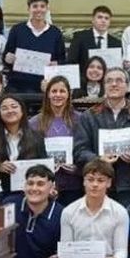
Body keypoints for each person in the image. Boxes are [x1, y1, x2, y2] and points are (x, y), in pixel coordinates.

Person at [76, 67, 130, 205]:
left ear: (127, 85)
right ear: (104, 86)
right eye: (109, 81)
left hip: (129, 185)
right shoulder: (89, 116)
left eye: (119, 80)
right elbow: (79, 151)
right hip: (98, 183)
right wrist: (99, 159)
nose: (114, 84)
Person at [32, 76, 84, 205]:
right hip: (45, 185)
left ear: (68, 94)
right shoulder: (34, 123)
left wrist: (77, 168)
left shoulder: (81, 119)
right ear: (48, 94)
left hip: (74, 184)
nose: (58, 95)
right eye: (54, 91)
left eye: (62, 91)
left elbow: (85, 147)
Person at [3, 0, 64, 94]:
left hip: (45, 85)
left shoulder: (55, 33)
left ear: (47, 8)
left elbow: (62, 59)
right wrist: (8, 58)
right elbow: (6, 57)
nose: (39, 9)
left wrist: (56, 63)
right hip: (18, 84)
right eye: (35, 6)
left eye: (42, 6)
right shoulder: (17, 30)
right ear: (28, 9)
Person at [0, 94, 45, 193]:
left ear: (22, 111)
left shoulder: (37, 137)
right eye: (4, 108)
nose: (10, 111)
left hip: (30, 191)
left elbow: (44, 166)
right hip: (0, 192)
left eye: (14, 107)